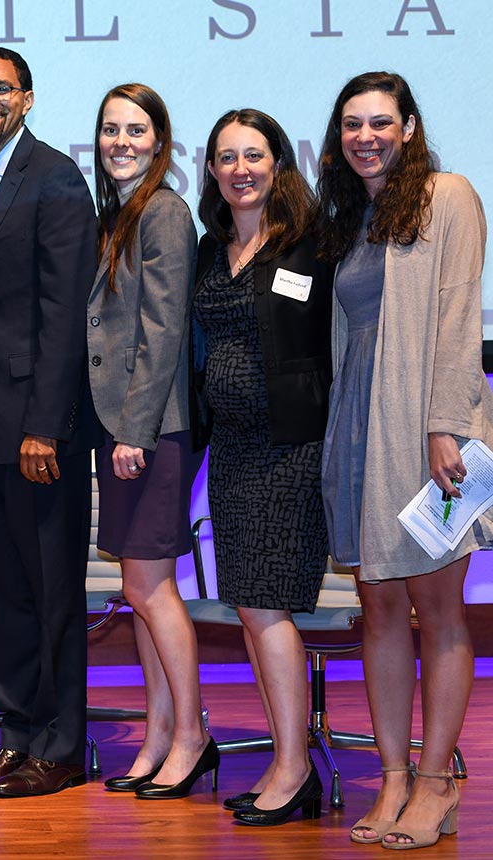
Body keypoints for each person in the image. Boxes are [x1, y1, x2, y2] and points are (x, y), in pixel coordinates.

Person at [314, 71, 488, 850]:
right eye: (352, 124)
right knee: (379, 609)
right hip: (359, 426)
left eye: (382, 122)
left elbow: (457, 312)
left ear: (410, 127)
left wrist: (446, 424)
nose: (366, 136)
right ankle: (390, 778)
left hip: (424, 427)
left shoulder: (447, 195)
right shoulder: (351, 218)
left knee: (439, 611)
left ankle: (438, 778)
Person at [0, 46, 100, 797]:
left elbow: (65, 314)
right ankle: (16, 734)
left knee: (53, 593)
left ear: (28, 99)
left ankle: (63, 746)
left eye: (0, 88)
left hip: (38, 434)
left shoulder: (58, 180)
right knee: (0, 594)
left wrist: (47, 424)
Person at [190, 109, 332, 826]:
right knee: (250, 606)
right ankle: (287, 756)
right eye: (225, 158)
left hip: (290, 449)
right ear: (212, 170)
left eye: (253, 155)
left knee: (266, 606)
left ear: (278, 162)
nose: (239, 169)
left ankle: (294, 767)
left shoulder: (310, 247)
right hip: (231, 452)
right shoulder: (214, 251)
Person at [85, 84, 210, 799]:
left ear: (160, 142)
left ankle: (191, 736)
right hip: (122, 430)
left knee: (151, 587)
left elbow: (163, 334)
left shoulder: (164, 212)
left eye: (136, 131)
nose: (121, 142)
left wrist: (133, 431)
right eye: (110, 130)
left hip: (151, 431)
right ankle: (159, 732)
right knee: (140, 588)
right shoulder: (118, 213)